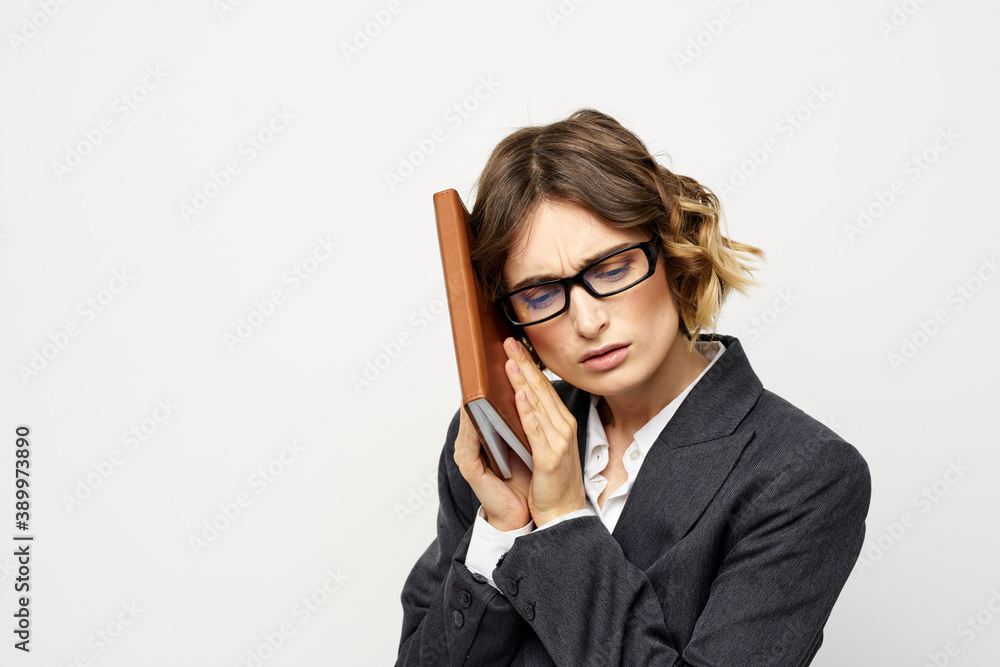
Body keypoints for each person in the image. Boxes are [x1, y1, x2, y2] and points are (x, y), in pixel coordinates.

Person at [396, 108, 871, 666]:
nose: (588, 321)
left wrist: (565, 522)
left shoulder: (803, 475)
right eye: (542, 293)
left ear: (672, 250)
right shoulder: (493, 445)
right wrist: (503, 529)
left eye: (613, 268)